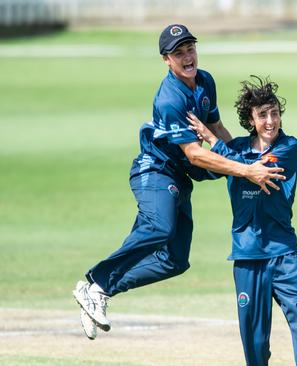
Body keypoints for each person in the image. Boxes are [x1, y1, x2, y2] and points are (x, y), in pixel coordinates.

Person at [72, 25, 285, 340]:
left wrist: (245, 159)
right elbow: (196, 154)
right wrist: (246, 171)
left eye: (190, 49)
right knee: (160, 228)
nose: (187, 57)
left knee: (174, 260)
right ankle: (98, 281)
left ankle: (100, 291)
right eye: (178, 53)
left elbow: (216, 127)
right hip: (155, 171)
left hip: (180, 175)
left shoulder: (205, 81)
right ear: (166, 60)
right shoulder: (170, 97)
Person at [187, 75, 297, 365]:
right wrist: (202, 150)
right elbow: (213, 168)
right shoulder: (236, 150)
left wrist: (215, 142)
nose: (271, 121)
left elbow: (258, 170)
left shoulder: (289, 147)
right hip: (248, 254)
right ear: (251, 120)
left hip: (285, 253)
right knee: (255, 341)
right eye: (262, 115)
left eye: (274, 113)